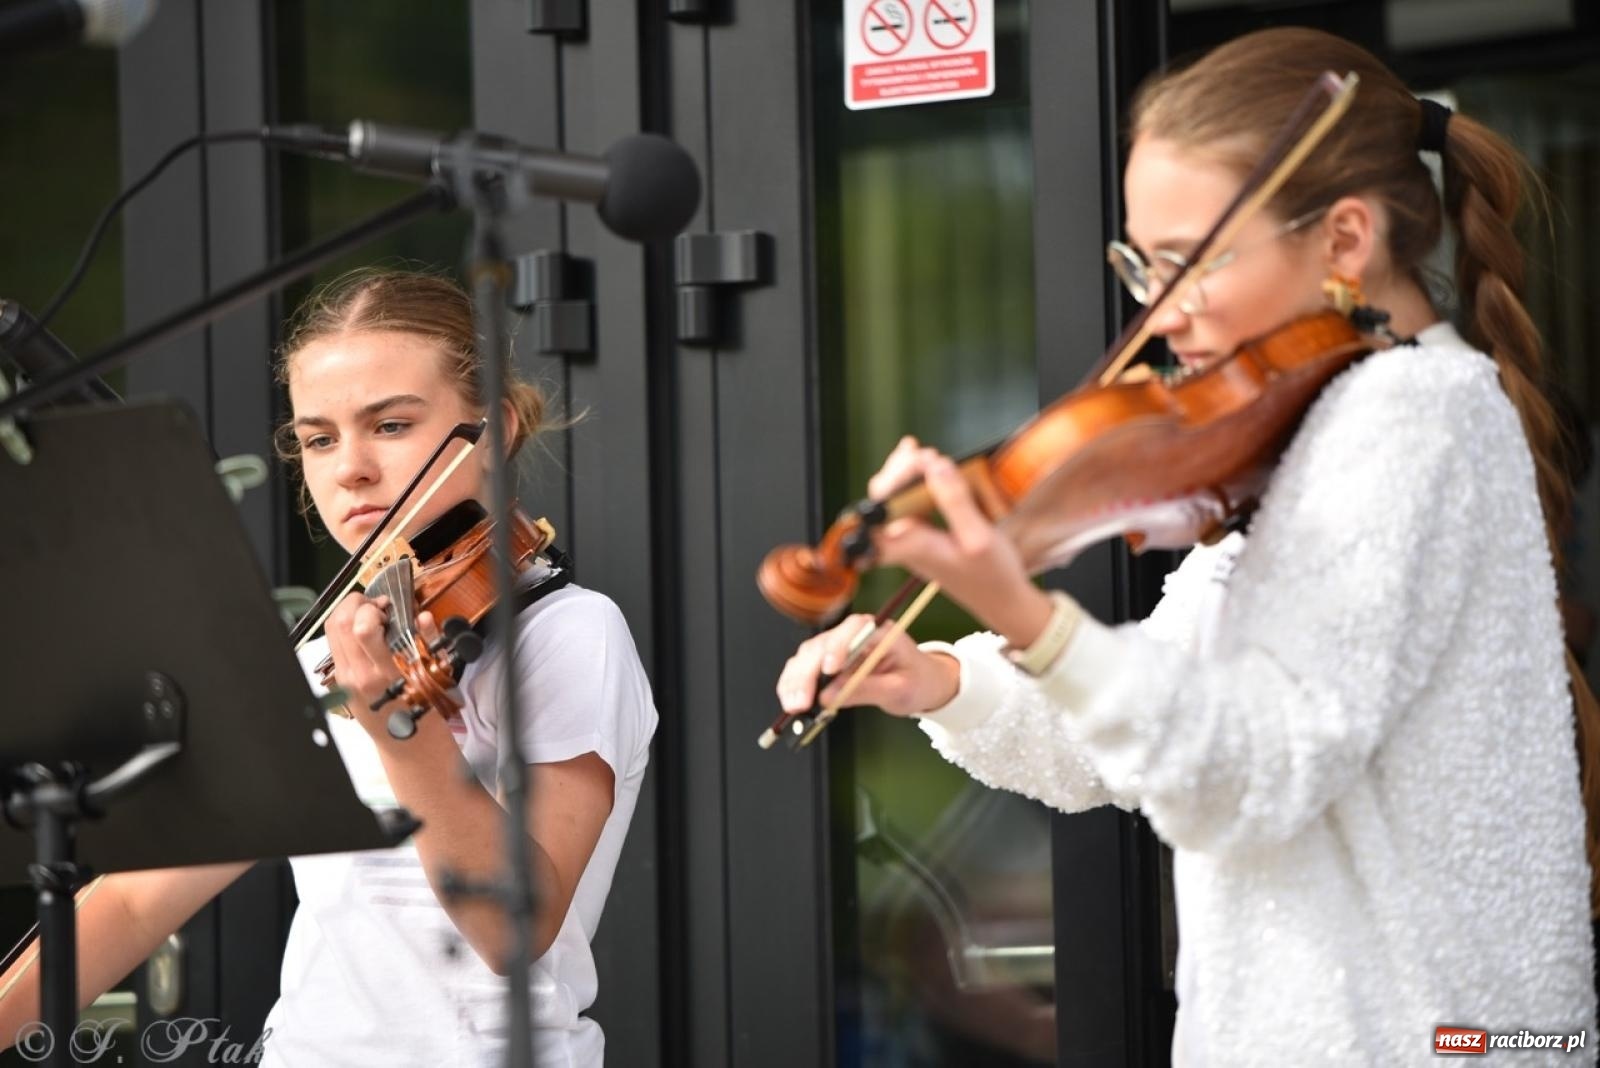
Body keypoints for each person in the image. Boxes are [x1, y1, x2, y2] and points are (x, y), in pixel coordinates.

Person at [777, 27, 1597, 1066]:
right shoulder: (1297, 439)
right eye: (1143, 265)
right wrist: (941, 680)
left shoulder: (1415, 416)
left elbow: (1252, 769)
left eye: (1189, 264)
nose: (1159, 312)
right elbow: (1147, 731)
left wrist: (1025, 610)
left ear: (1344, 240)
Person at [0, 268, 658, 1066]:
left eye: (391, 425)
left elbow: (512, 931)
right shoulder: (322, 654)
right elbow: (139, 902)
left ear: (498, 427)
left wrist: (402, 729)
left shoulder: (567, 635)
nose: (350, 468)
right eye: (319, 438)